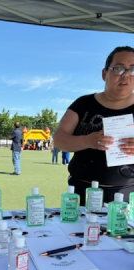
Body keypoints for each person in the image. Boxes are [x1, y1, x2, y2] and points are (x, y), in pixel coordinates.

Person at [54, 46, 134, 205]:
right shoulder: (83, 104)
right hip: (81, 192)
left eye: (132, 70)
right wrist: (87, 141)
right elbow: (59, 139)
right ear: (105, 74)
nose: (125, 75)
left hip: (128, 195)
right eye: (118, 68)